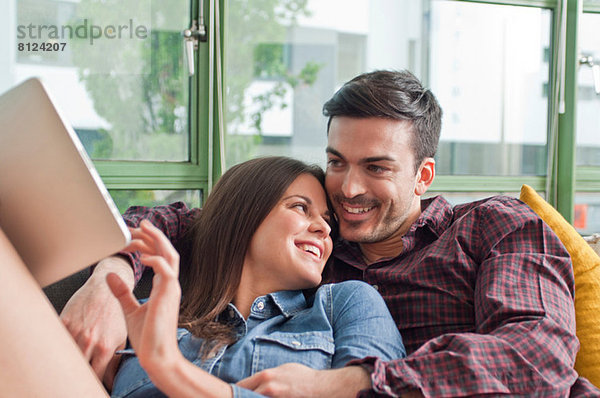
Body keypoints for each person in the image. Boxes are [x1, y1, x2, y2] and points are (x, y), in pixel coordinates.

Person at [61, 70, 600, 397]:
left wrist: (353, 383)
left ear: (423, 175)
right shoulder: (321, 238)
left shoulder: (493, 225)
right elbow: (196, 221)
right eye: (337, 161)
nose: (348, 189)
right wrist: (109, 273)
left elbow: (536, 359)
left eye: (377, 168)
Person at [107, 156, 405, 397]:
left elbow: (383, 392)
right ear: (243, 215)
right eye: (301, 207)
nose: (324, 229)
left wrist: (170, 369)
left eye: (328, 222)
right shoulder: (147, 314)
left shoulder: (347, 303)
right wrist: (104, 284)